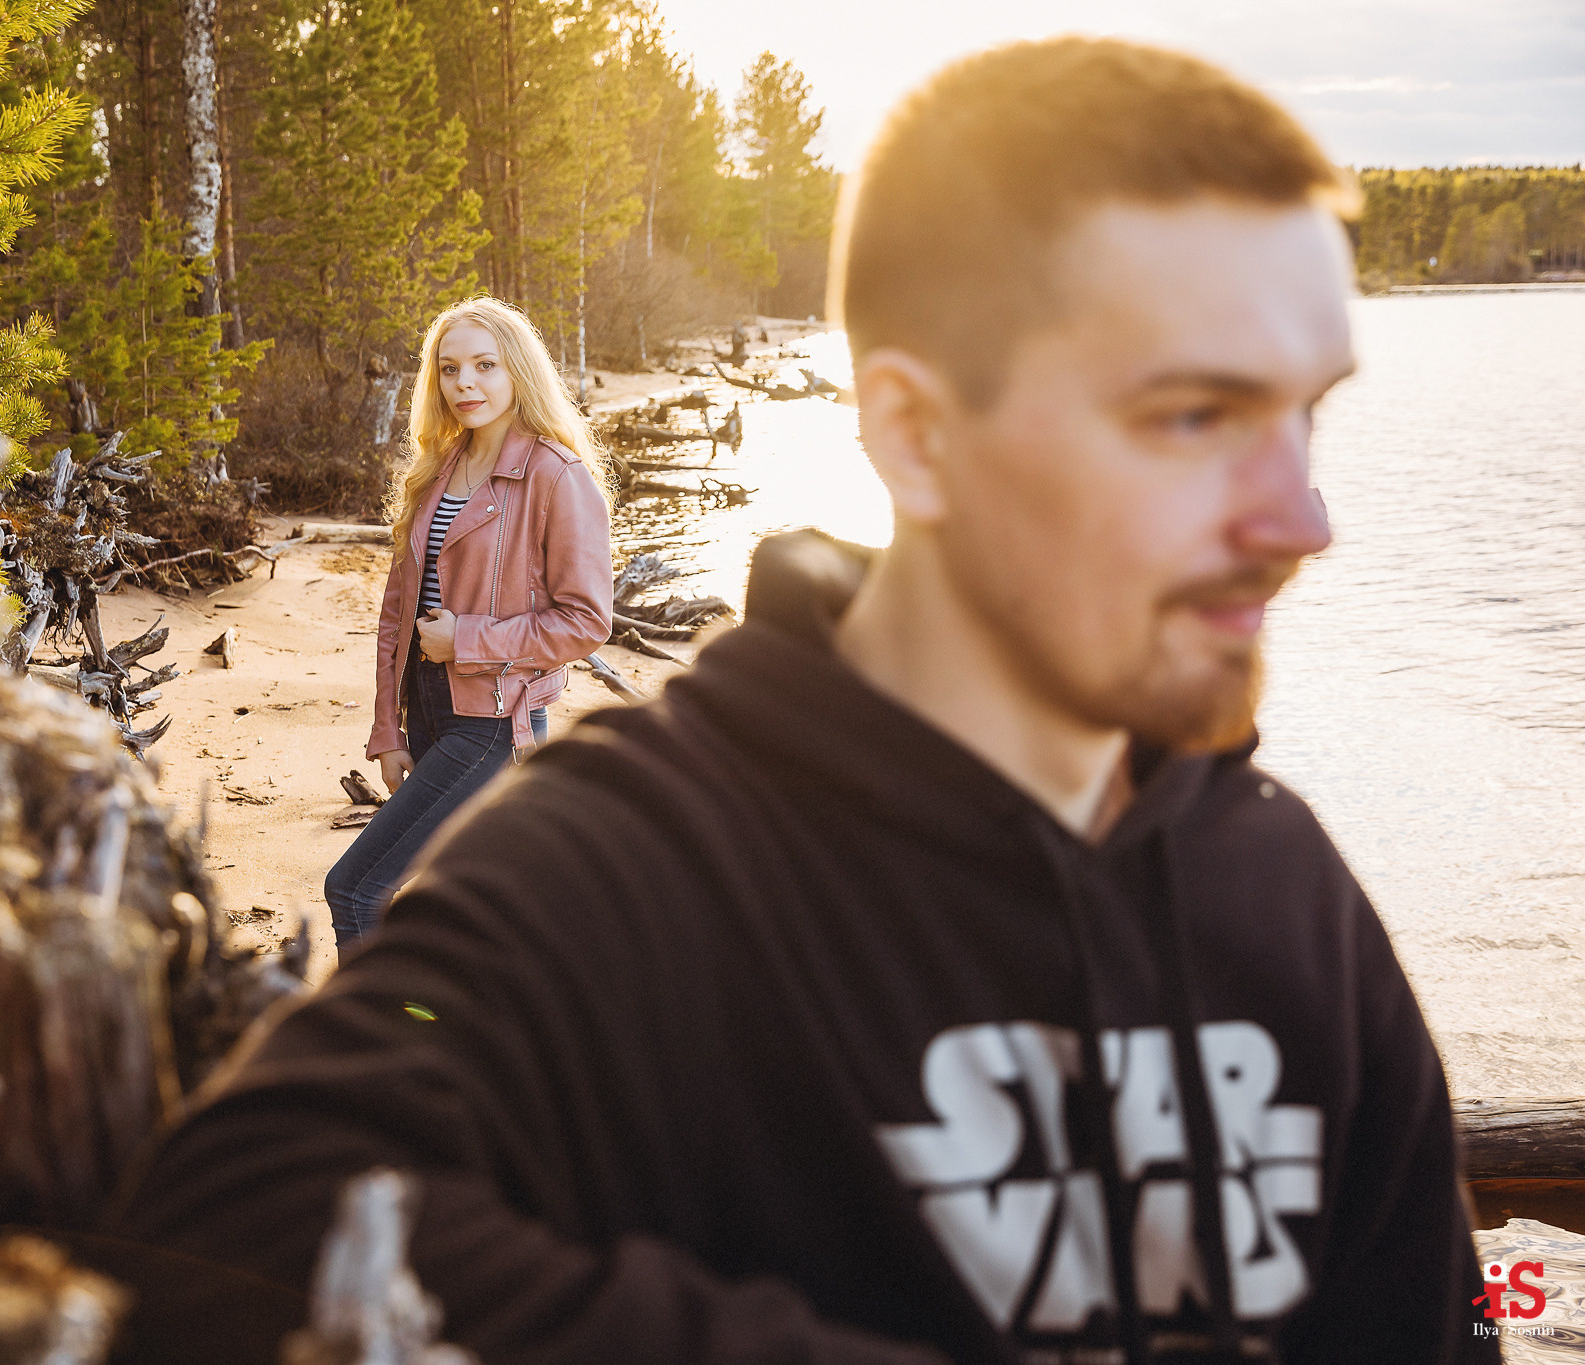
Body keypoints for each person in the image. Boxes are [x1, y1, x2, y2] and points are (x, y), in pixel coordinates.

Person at [119, 39, 1496, 1365]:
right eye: (1195, 417)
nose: (1296, 519)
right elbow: (238, 1219)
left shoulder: (1284, 887)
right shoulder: (638, 858)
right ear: (914, 432)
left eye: (1307, 416)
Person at [324, 296, 614, 953]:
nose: (466, 384)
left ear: (519, 371)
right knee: (457, 906)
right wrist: (387, 726)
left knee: (355, 887)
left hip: (493, 723)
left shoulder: (556, 475)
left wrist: (469, 638)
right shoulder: (439, 468)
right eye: (450, 369)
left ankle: (373, 1048)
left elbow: (588, 620)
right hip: (428, 709)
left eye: (485, 365)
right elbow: (397, 611)